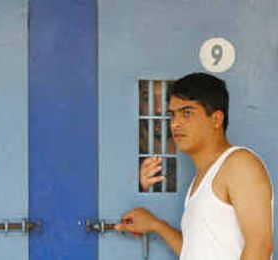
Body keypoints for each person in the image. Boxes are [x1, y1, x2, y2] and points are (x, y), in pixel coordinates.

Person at [116, 73, 274, 259]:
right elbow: (195, 251)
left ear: (216, 119)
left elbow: (260, 248)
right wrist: (156, 225)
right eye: (172, 115)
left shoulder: (240, 164)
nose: (175, 124)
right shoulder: (202, 179)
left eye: (187, 113)